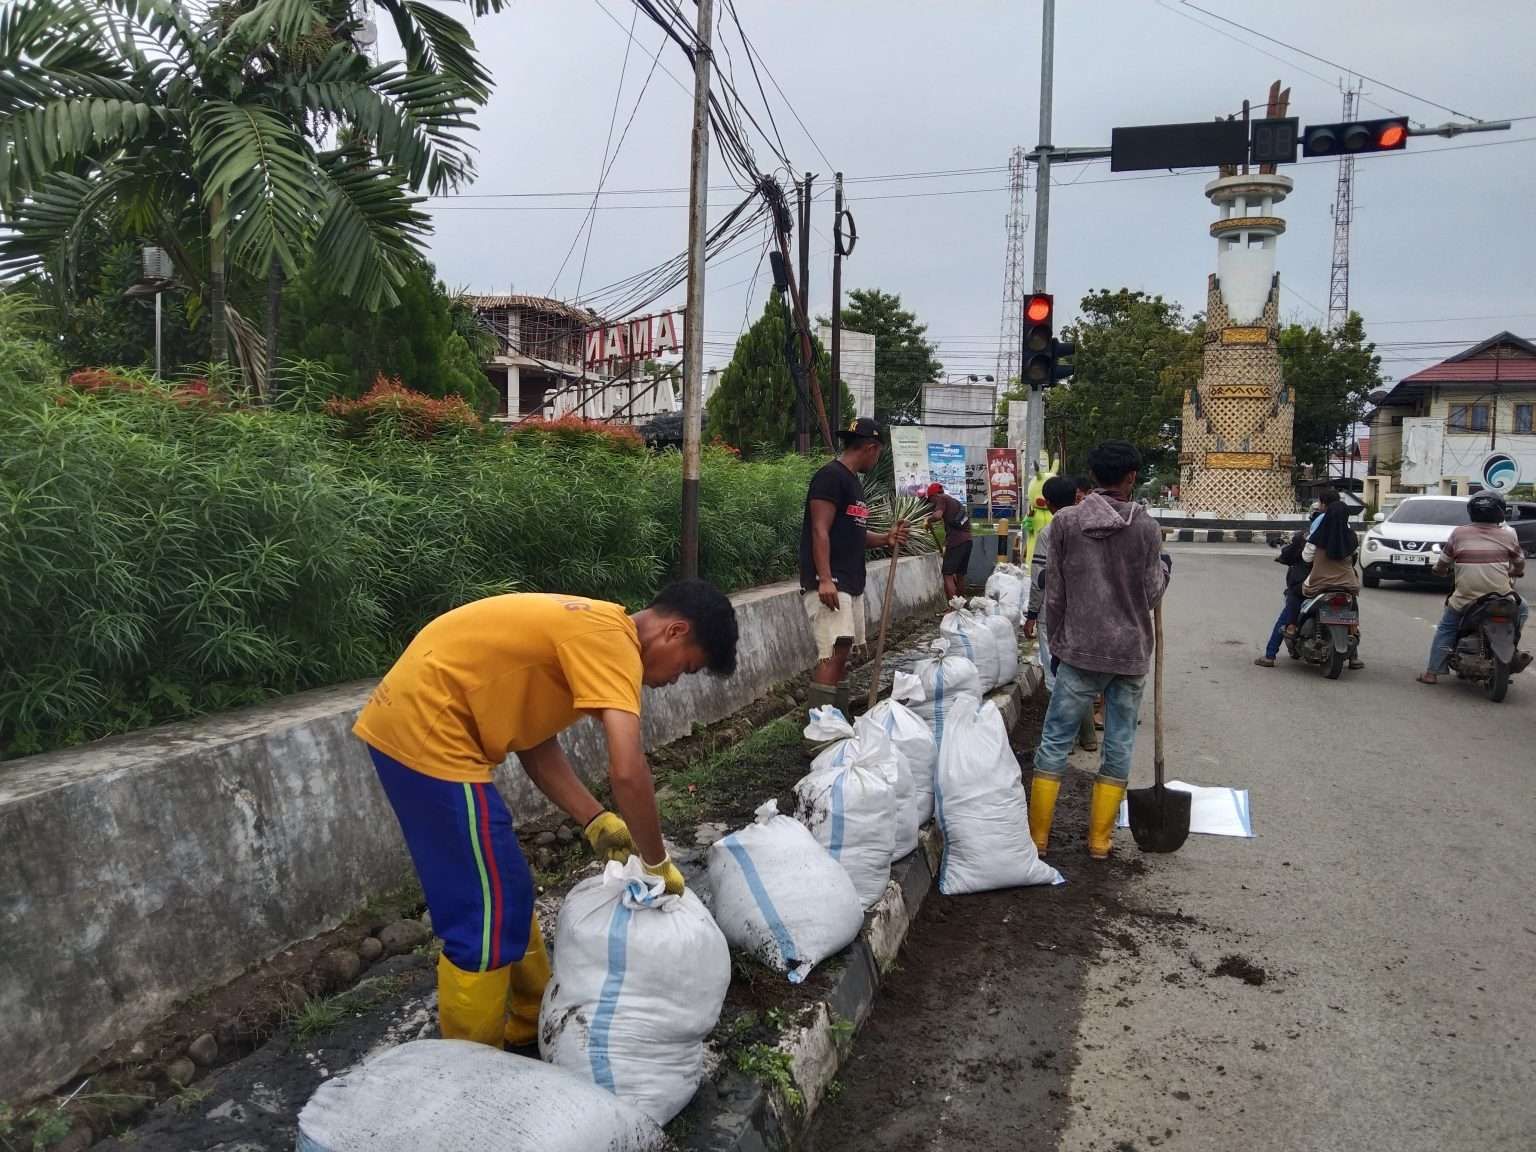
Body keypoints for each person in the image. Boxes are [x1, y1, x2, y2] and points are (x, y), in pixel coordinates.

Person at [352, 580, 739, 1051]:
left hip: (430, 727)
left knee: (508, 888)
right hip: (430, 734)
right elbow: (628, 769)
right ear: (675, 632)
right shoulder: (611, 643)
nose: (673, 681)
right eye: (687, 668)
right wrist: (656, 862)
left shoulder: (594, 630)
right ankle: (467, 1068)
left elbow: (533, 742)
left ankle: (530, 1021)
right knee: (481, 915)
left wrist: (594, 818)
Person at [1028, 441, 1170, 861]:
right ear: (1131, 478)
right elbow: (1150, 594)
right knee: (1119, 744)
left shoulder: (1065, 524)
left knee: (1054, 740)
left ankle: (1038, 839)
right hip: (1129, 653)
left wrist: (1057, 643)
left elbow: (1055, 594)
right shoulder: (1146, 527)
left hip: (1078, 651)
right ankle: (1100, 843)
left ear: (1091, 477)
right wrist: (1165, 569)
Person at [799, 417, 909, 718]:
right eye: (878, 454)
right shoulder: (830, 478)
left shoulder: (853, 482)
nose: (877, 459)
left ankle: (837, 722)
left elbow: (854, 533)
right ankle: (819, 733)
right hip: (832, 581)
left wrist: (886, 538)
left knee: (843, 654)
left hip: (850, 580)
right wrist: (824, 579)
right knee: (832, 653)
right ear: (871, 448)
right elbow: (819, 530)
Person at [1418, 489, 1531, 685]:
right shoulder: (1508, 536)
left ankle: (1432, 673)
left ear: (1472, 511)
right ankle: (1512, 647)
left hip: (1465, 599)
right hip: (1502, 598)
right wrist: (1515, 572)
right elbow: (1520, 562)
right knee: (1522, 609)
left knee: (1447, 627)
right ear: (1500, 512)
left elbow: (1444, 562)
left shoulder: (1459, 533)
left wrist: (1439, 571)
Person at [1024, 475, 1097, 751]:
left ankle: (1060, 739)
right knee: (1082, 668)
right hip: (1088, 609)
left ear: (1049, 503)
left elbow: (1040, 578)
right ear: (1076, 496)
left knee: (1056, 673)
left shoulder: (1051, 531)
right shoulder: (1092, 523)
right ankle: (1088, 736)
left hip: (1055, 612)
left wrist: (1032, 613)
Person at [1254, 496, 1326, 668]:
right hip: (1341, 584)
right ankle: (1354, 656)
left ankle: (1271, 654)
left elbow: (1300, 556)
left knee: (1288, 610)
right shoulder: (1346, 537)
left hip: (1310, 584)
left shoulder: (1308, 538)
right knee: (1350, 608)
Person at [925, 481, 972, 599]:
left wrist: (927, 520)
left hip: (956, 542)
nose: (932, 504)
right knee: (960, 575)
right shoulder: (954, 501)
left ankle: (953, 608)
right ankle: (961, 606)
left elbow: (937, 516)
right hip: (968, 541)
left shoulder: (941, 499)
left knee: (947, 575)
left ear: (933, 496)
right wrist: (946, 544)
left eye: (931, 501)